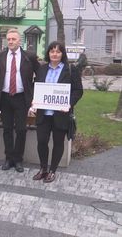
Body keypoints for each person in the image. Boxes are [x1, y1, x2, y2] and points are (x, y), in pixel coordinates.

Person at [32, 41, 83, 183]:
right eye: (52, 51)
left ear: (62, 54)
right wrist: (34, 101)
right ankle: (43, 169)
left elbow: (78, 91)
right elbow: (36, 86)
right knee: (41, 141)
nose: (55, 54)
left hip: (61, 114)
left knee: (58, 142)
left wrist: (69, 104)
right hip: (44, 114)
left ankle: (52, 171)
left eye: (58, 51)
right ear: (48, 53)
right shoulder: (42, 69)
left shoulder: (70, 69)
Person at [0, 29, 40, 172]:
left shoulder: (29, 57)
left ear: (20, 41)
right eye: (8, 39)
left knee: (21, 130)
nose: (11, 42)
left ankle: (18, 159)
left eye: (13, 39)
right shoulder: (0, 57)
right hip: (5, 97)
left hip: (21, 98)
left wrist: (33, 92)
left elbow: (40, 74)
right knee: (7, 129)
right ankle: (9, 159)